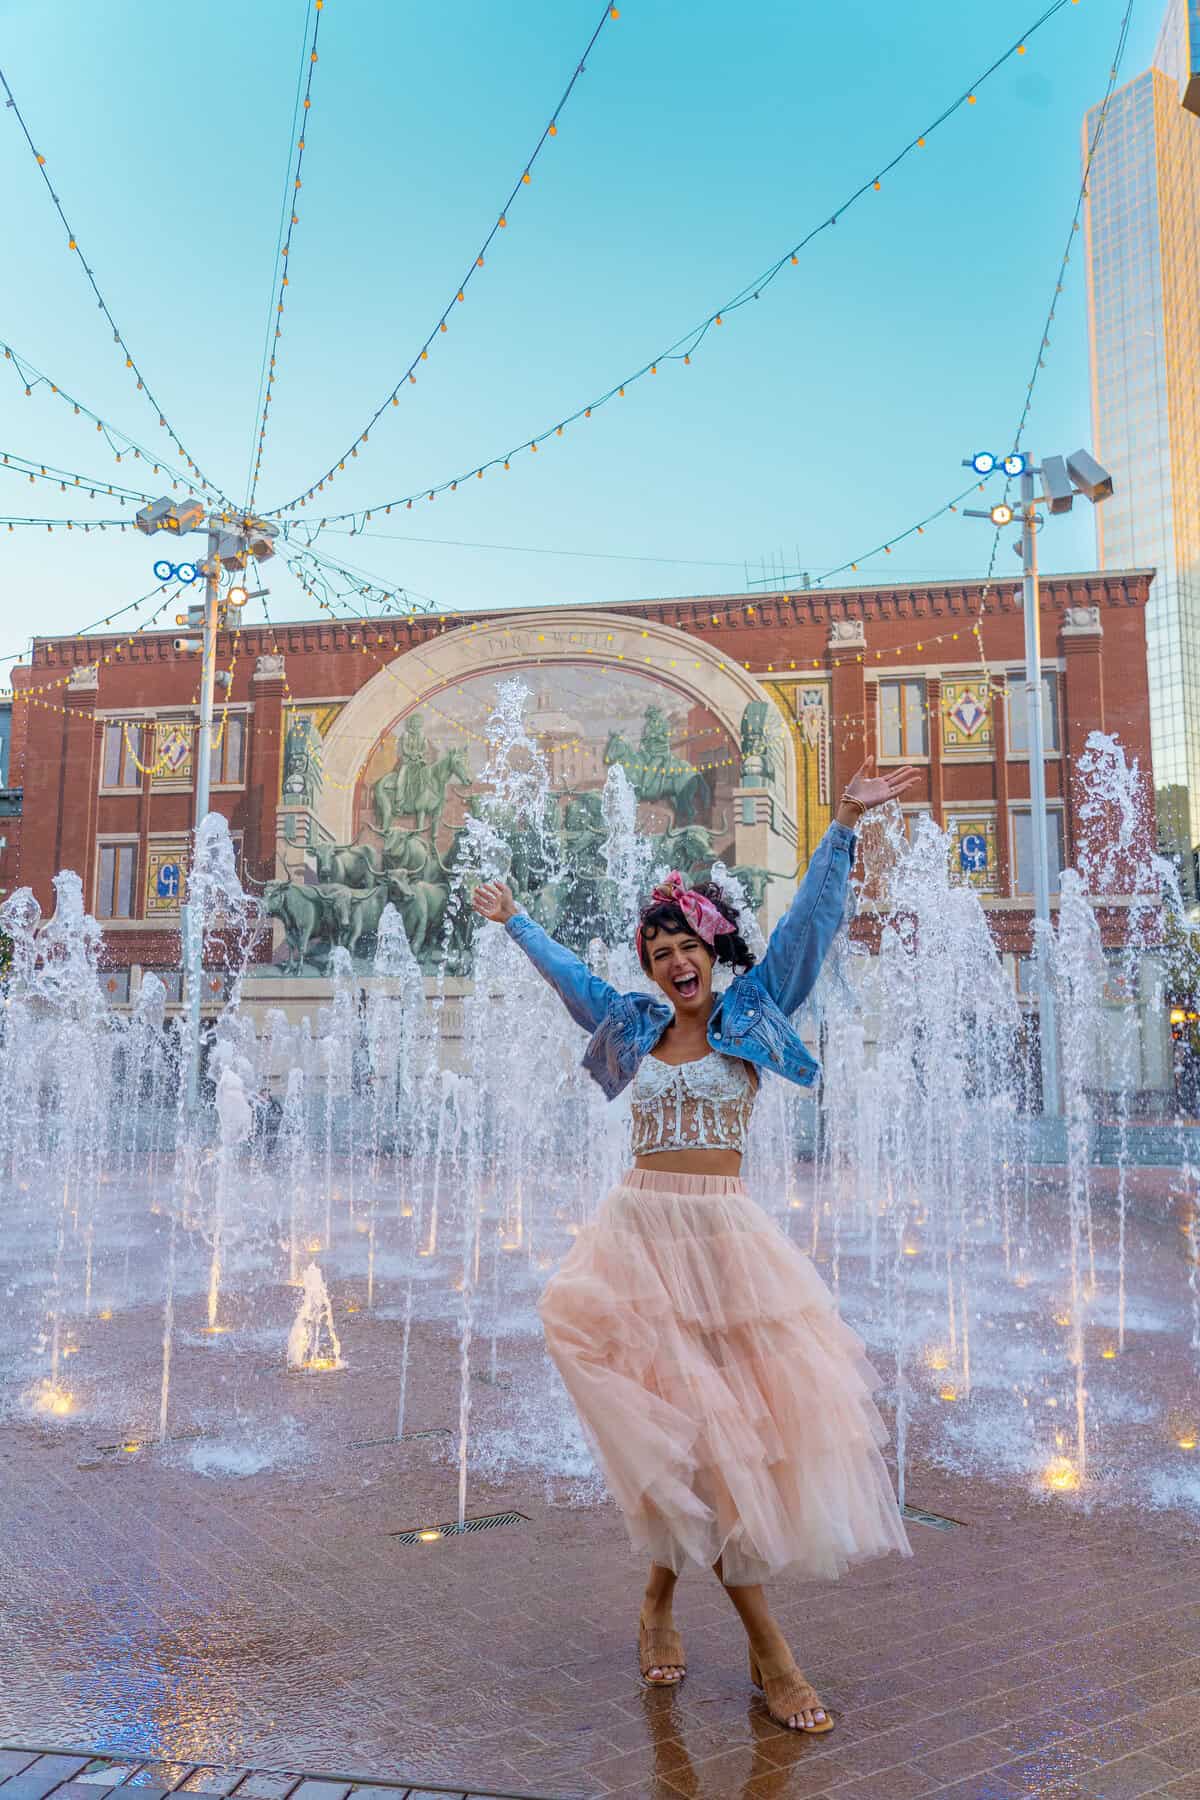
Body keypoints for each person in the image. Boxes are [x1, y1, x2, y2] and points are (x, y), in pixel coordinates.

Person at [472, 755, 918, 1734]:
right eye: (659, 948)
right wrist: (514, 922)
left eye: (688, 944)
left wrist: (843, 827)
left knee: (713, 1447)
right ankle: (772, 1654)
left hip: (728, 1252)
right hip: (636, 1249)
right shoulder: (630, 1022)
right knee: (692, 1446)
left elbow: (806, 933)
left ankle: (659, 1599)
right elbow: (570, 980)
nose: (674, 959)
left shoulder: (753, 1013)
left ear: (714, 950)